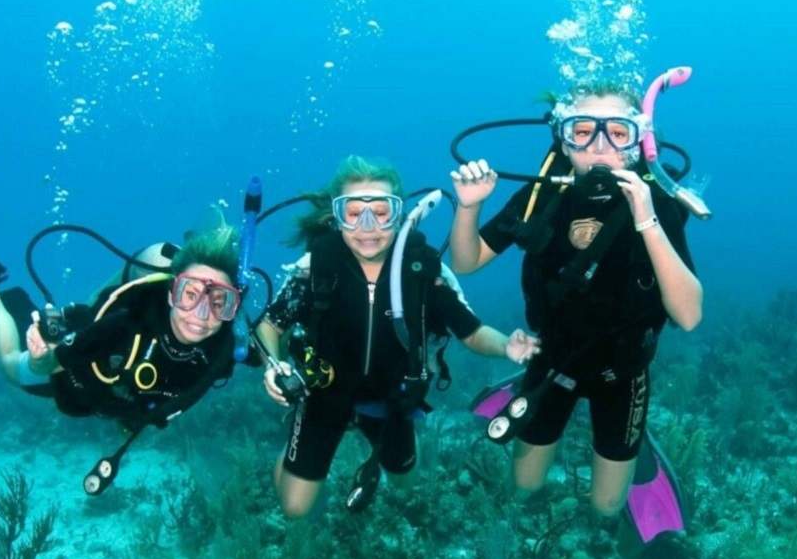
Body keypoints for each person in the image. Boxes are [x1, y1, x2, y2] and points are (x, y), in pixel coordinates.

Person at [448, 81, 702, 519]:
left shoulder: (657, 202)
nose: (600, 146)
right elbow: (466, 262)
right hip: (553, 358)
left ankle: (640, 446)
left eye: (617, 133)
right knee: (524, 485)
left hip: (623, 370)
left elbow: (690, 315)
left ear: (638, 141)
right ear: (564, 141)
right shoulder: (544, 195)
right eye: (582, 131)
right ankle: (523, 385)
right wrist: (468, 207)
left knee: (607, 507)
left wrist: (646, 219)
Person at [258, 155, 540, 518]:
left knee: (406, 483)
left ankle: (388, 439)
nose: (368, 226)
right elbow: (270, 324)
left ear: (400, 214)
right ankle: (295, 447)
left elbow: (471, 332)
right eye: (353, 212)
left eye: (381, 211)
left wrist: (505, 345)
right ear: (336, 215)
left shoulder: (424, 272)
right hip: (323, 394)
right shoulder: (314, 268)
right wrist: (273, 364)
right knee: (295, 509)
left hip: (392, 399)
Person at [0, 226, 246, 491]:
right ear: (172, 293)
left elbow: (265, 347)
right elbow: (50, 364)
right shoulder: (120, 329)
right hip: (88, 356)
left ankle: (174, 262)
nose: (202, 314)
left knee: (99, 303)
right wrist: (41, 358)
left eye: (219, 301)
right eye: (189, 293)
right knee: (12, 368)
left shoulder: (222, 347)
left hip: (119, 335)